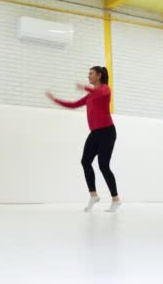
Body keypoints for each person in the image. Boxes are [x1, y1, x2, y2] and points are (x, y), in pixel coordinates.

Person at [46, 66, 121, 212]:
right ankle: (93, 195)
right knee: (85, 161)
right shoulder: (90, 96)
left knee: (103, 166)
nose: (88, 76)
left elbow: (100, 92)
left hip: (107, 132)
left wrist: (86, 88)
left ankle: (116, 199)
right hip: (95, 133)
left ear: (99, 75)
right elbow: (74, 105)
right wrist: (55, 100)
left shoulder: (105, 89)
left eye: (91, 74)